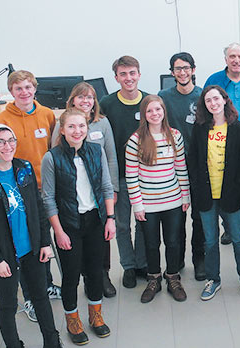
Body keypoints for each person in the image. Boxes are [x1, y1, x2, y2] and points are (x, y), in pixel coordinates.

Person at [0, 124, 62, 348]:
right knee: (9, 304)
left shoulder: (24, 169)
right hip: (4, 255)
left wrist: (44, 242)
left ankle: (52, 341)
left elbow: (38, 208)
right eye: (0, 142)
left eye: (11, 140)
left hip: (32, 248)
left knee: (41, 297)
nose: (7, 146)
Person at [0, 69, 61, 322]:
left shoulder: (47, 114)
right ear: (11, 92)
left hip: (47, 186)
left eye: (28, 87)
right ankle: (30, 297)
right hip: (20, 191)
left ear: (35, 89)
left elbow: (53, 147)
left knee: (44, 239)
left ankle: (47, 284)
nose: (25, 92)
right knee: (26, 244)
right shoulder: (1, 120)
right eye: (19, 88)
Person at [42, 110, 115, 345]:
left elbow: (106, 186)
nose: (77, 131)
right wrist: (59, 232)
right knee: (71, 276)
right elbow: (48, 199)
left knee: (95, 272)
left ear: (87, 128)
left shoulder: (96, 150)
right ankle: (72, 319)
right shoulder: (51, 158)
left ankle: (95, 315)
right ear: (62, 130)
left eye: (81, 126)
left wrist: (110, 218)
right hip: (68, 225)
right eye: (71, 127)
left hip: (94, 221)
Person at [188, 86, 240, 301]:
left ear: (224, 100)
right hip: (207, 195)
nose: (213, 103)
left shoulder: (238, 128)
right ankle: (213, 280)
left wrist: (238, 183)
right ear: (204, 105)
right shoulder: (200, 129)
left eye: (216, 98)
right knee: (210, 241)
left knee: (238, 238)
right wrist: (197, 185)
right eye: (208, 100)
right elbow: (193, 160)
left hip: (232, 195)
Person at [52, 82, 119, 298]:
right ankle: (85, 275)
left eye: (89, 97)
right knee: (77, 239)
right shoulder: (62, 123)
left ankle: (102, 274)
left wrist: (113, 189)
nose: (85, 101)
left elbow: (110, 157)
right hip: (73, 195)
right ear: (72, 100)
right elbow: (55, 154)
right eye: (81, 97)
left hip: (98, 194)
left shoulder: (103, 123)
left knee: (101, 237)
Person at [126, 95, 191, 303]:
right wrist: (137, 205)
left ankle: (172, 277)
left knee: (173, 241)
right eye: (150, 111)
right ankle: (153, 278)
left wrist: (185, 196)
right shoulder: (135, 140)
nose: (155, 114)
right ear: (144, 115)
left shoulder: (175, 135)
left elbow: (181, 167)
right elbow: (131, 175)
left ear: (164, 111)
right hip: (148, 203)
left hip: (173, 200)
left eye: (158, 110)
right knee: (151, 244)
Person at [100, 55, 150, 289]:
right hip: (118, 175)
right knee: (121, 224)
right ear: (116, 77)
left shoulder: (149, 101)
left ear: (139, 74)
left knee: (143, 221)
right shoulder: (107, 104)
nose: (128, 78)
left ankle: (142, 263)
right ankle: (128, 266)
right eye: (123, 74)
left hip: (145, 174)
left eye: (132, 73)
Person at [205, 43, 240, 244]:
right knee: (224, 185)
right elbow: (207, 105)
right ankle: (228, 227)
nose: (236, 60)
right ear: (225, 59)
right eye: (232, 56)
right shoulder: (215, 80)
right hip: (222, 139)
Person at [158, 52, 206, 281]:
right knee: (175, 218)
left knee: (199, 217)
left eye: (186, 68)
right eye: (178, 69)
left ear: (193, 70)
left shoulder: (203, 96)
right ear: (172, 73)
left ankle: (200, 260)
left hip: (198, 165)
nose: (182, 72)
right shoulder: (163, 97)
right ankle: (176, 261)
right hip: (171, 166)